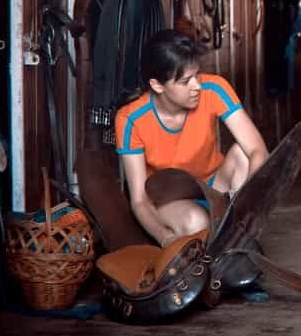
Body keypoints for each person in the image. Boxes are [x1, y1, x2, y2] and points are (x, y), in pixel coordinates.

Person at [115, 29, 268, 248]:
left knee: (244, 155)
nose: (197, 85)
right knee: (198, 222)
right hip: (170, 200)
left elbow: (257, 150)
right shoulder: (131, 119)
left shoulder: (214, 88)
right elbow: (139, 200)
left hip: (216, 185)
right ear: (157, 85)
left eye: (197, 75)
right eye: (186, 81)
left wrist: (246, 206)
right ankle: (221, 236)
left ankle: (238, 236)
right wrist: (164, 237)